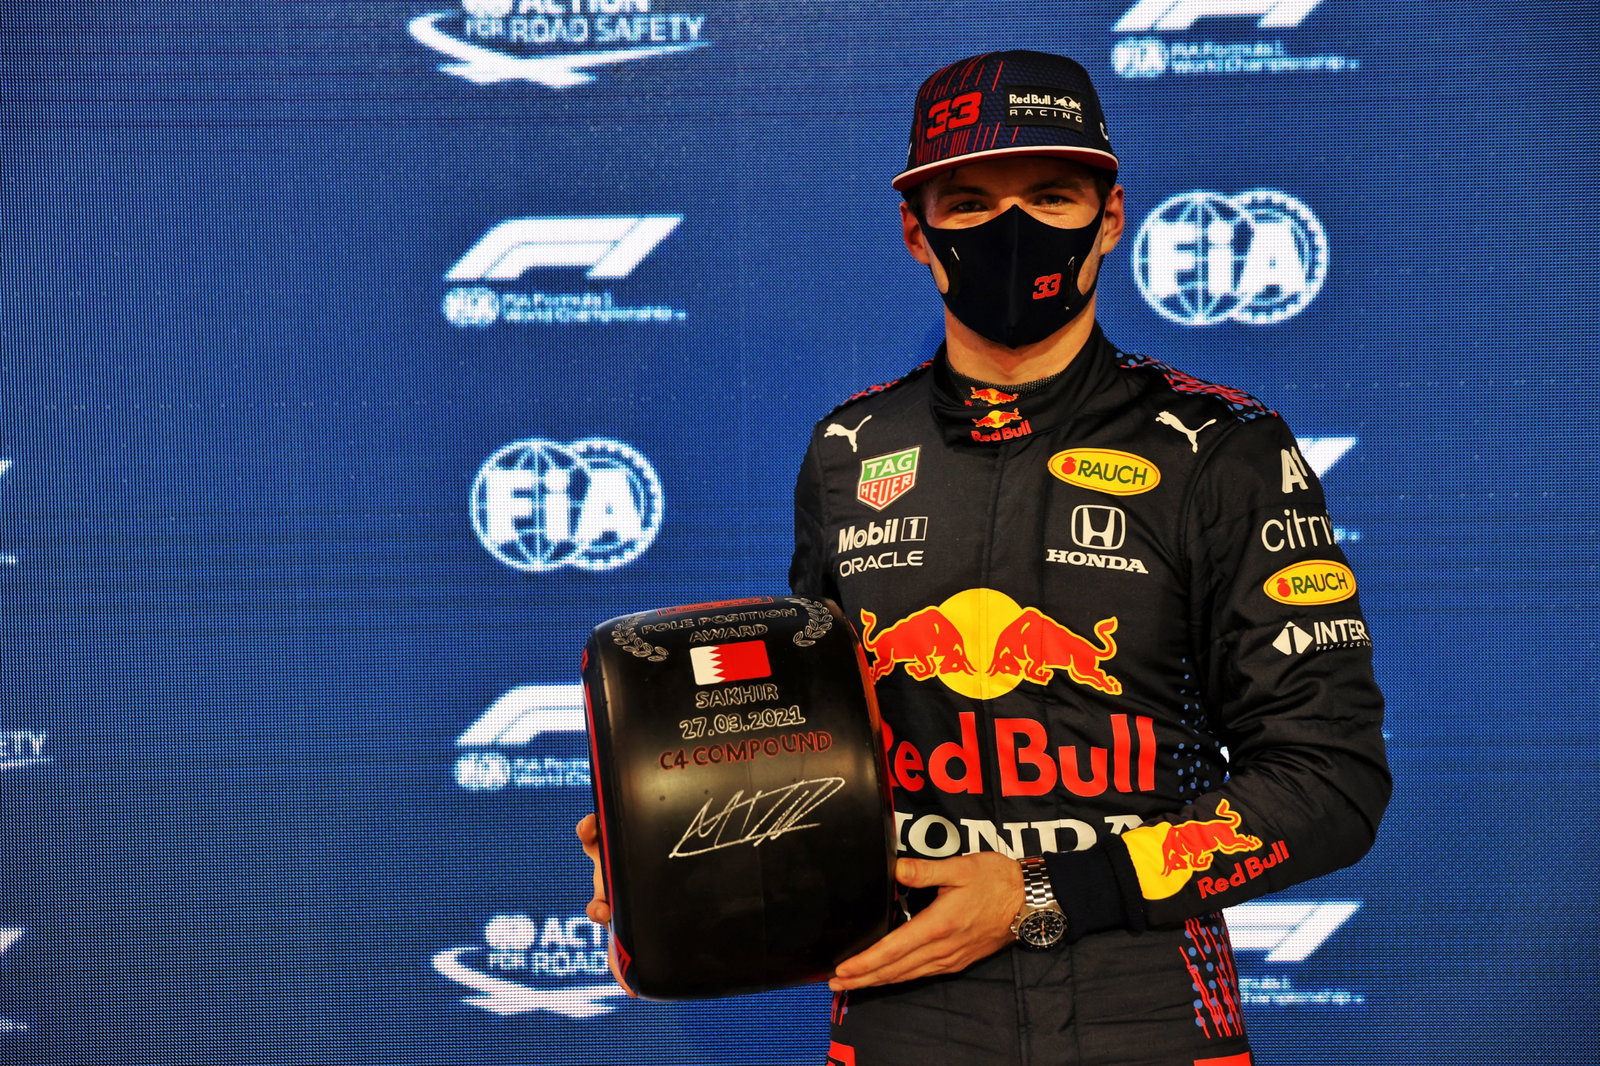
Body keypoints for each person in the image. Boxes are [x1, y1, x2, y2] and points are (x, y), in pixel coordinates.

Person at [584, 49, 1390, 1066]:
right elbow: (824, 754)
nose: (1013, 230)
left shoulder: (1221, 448)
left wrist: (1044, 893)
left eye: (1051, 196)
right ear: (915, 230)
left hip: (1148, 1013)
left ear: (1111, 216)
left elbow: (1329, 780)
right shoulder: (850, 451)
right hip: (905, 1010)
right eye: (968, 203)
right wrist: (676, 852)